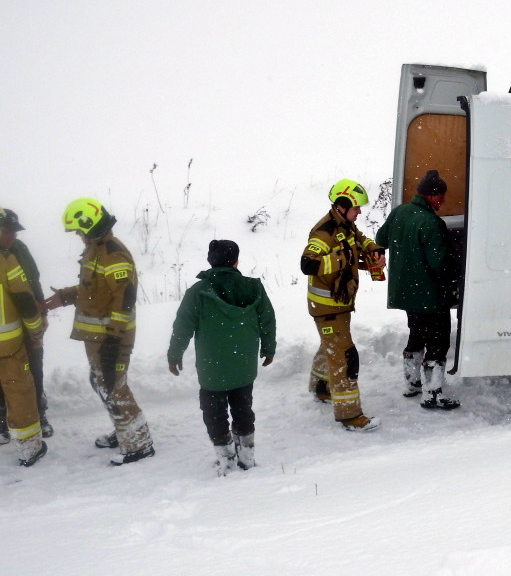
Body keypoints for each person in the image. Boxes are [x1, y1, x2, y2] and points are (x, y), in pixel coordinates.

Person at [43, 198, 155, 465]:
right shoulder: (96, 249)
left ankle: (139, 444)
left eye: (79, 231)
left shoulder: (113, 253)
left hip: (110, 337)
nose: (79, 236)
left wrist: (114, 341)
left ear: (89, 225)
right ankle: (124, 430)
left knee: (113, 386)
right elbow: (93, 289)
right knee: (102, 383)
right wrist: (65, 296)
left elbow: (124, 299)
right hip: (98, 338)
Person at [167, 240, 276, 475]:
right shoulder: (253, 287)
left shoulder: (199, 292)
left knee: (214, 414)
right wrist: (268, 348)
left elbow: (183, 325)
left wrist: (174, 354)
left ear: (211, 261)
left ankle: (226, 462)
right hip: (243, 365)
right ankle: (247, 458)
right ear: (236, 261)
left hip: (212, 368)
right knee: (243, 409)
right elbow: (267, 319)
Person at [301, 178, 384, 432]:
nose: (359, 212)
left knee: (332, 347)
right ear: (342, 206)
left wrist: (374, 250)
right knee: (345, 357)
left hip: (338, 305)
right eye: (356, 208)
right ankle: (349, 415)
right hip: (328, 308)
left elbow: (360, 240)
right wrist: (343, 257)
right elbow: (308, 264)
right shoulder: (324, 232)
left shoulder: (345, 226)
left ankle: (321, 387)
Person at [375, 169, 461, 410]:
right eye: (440, 196)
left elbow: (380, 239)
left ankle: (412, 384)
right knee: (437, 342)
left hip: (406, 294)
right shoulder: (431, 223)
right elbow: (439, 264)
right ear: (431, 196)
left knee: (416, 336)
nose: (442, 200)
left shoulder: (399, 212)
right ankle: (433, 393)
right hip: (430, 297)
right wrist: (457, 273)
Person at [0, 208, 52, 443]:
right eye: (7, 231)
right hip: (6, 331)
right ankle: (3, 420)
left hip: (26, 326)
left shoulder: (19, 251)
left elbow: (33, 283)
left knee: (33, 371)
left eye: (14, 232)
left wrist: (43, 315)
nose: (12, 236)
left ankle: (39, 416)